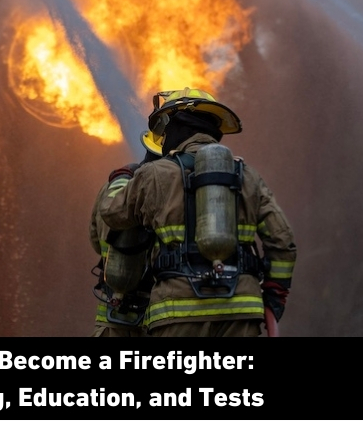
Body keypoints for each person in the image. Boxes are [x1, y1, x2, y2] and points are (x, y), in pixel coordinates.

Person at [98, 87, 297, 337]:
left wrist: (122, 178)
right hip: (241, 309)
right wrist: (274, 297)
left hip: (176, 312)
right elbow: (283, 242)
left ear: (176, 128)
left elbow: (111, 213)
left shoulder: (154, 175)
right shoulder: (247, 176)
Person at [89, 130, 162, 337]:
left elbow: (96, 241)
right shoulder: (173, 189)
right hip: (157, 319)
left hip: (112, 317)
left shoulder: (112, 188)